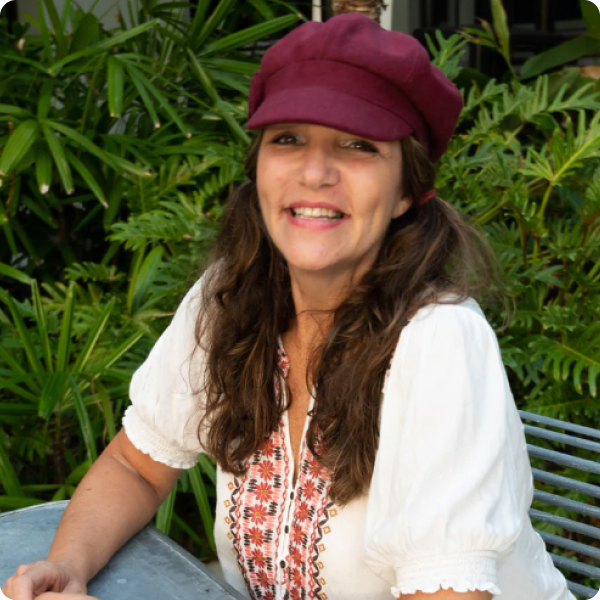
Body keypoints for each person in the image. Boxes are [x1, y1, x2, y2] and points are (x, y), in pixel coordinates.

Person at [2, 12, 576, 600]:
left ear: (408, 189)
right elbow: (136, 465)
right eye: (288, 139)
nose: (314, 172)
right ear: (258, 169)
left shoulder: (439, 341)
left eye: (357, 145)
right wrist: (69, 565)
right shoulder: (230, 297)